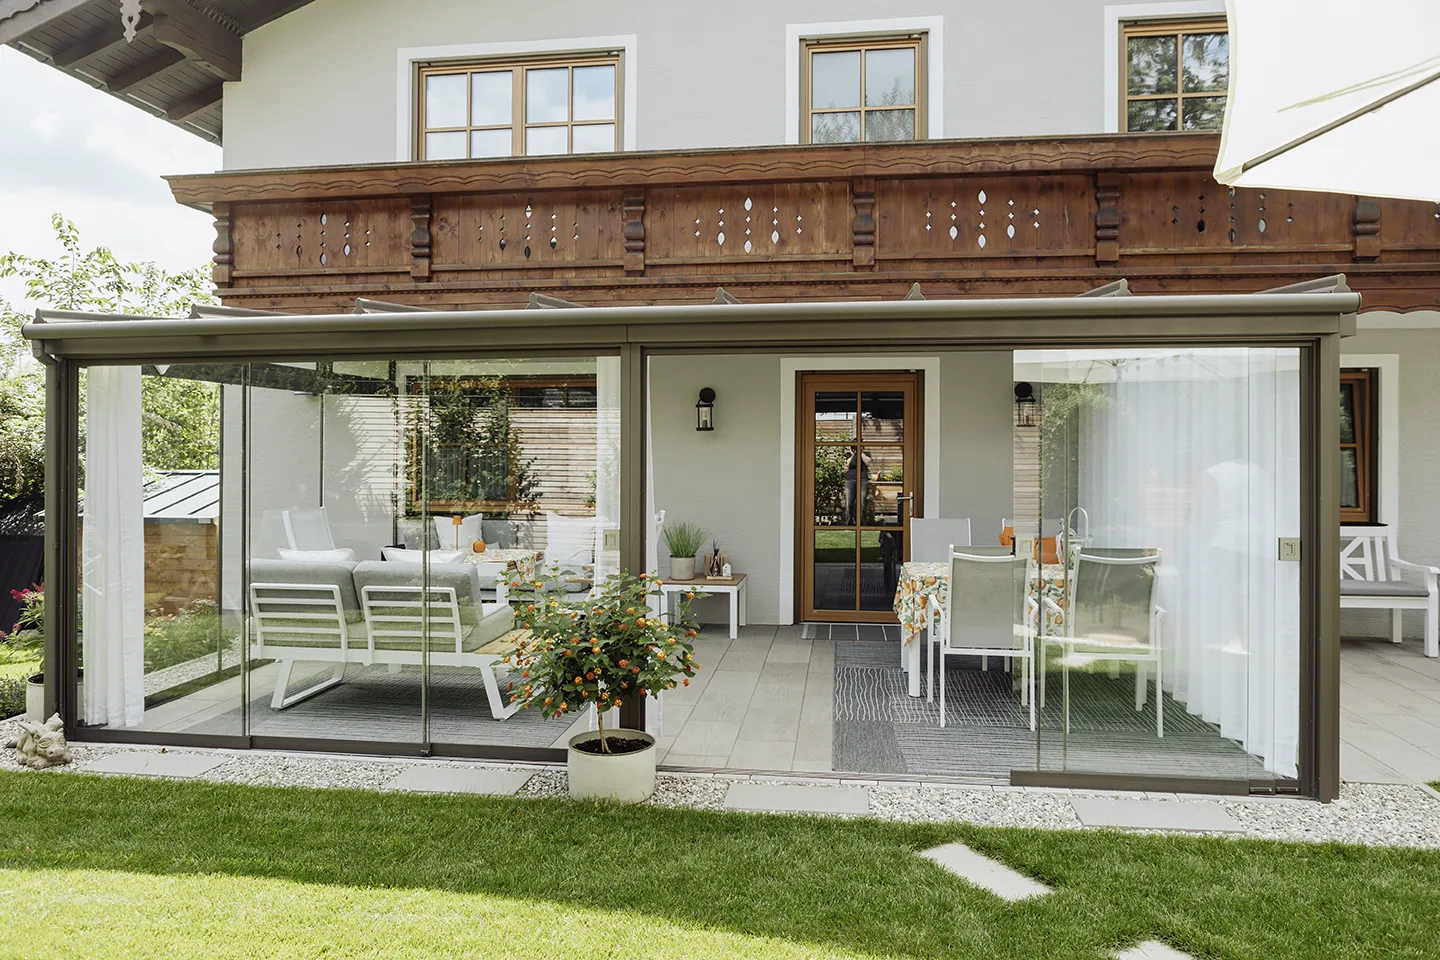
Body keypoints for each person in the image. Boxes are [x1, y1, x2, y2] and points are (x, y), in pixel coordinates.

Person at [843, 448, 871, 525]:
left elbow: (867, 462)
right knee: (849, 502)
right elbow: (849, 464)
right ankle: (849, 522)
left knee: (862, 502)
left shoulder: (866, 454)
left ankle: (861, 523)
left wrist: (861, 452)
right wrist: (854, 454)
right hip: (850, 480)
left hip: (863, 480)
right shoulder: (849, 454)